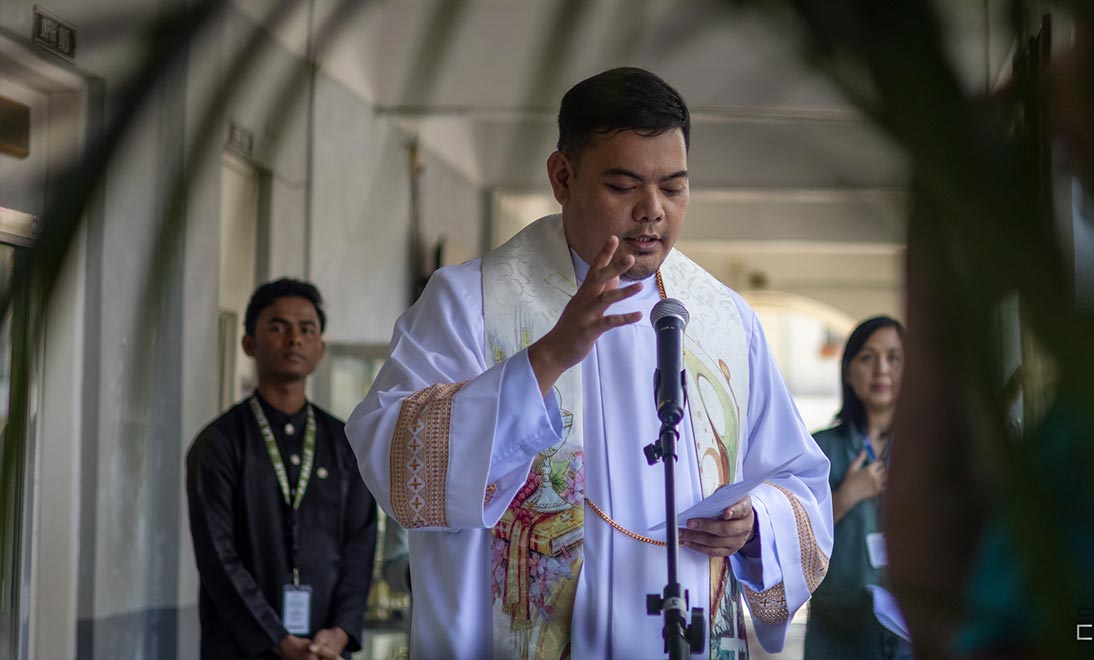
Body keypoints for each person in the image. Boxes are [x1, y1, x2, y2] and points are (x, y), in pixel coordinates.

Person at [345, 66, 833, 659]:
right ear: (562, 176)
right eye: (624, 186)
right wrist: (547, 358)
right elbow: (393, 456)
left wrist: (755, 523)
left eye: (674, 188)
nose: (652, 211)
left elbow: (799, 480)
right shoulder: (469, 301)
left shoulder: (725, 320)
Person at [186, 279, 378, 660]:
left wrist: (339, 633)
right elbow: (217, 557)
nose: (294, 339)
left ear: (320, 349)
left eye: (306, 329)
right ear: (248, 344)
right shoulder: (219, 443)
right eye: (278, 326)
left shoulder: (344, 441)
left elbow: (361, 544)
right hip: (241, 648)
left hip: (325, 651)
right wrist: (278, 639)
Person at [805, 316, 911, 660]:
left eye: (894, 358)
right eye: (868, 357)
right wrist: (847, 495)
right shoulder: (819, 449)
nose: (882, 369)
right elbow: (795, 534)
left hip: (912, 632)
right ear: (848, 372)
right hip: (837, 634)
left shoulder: (928, 450)